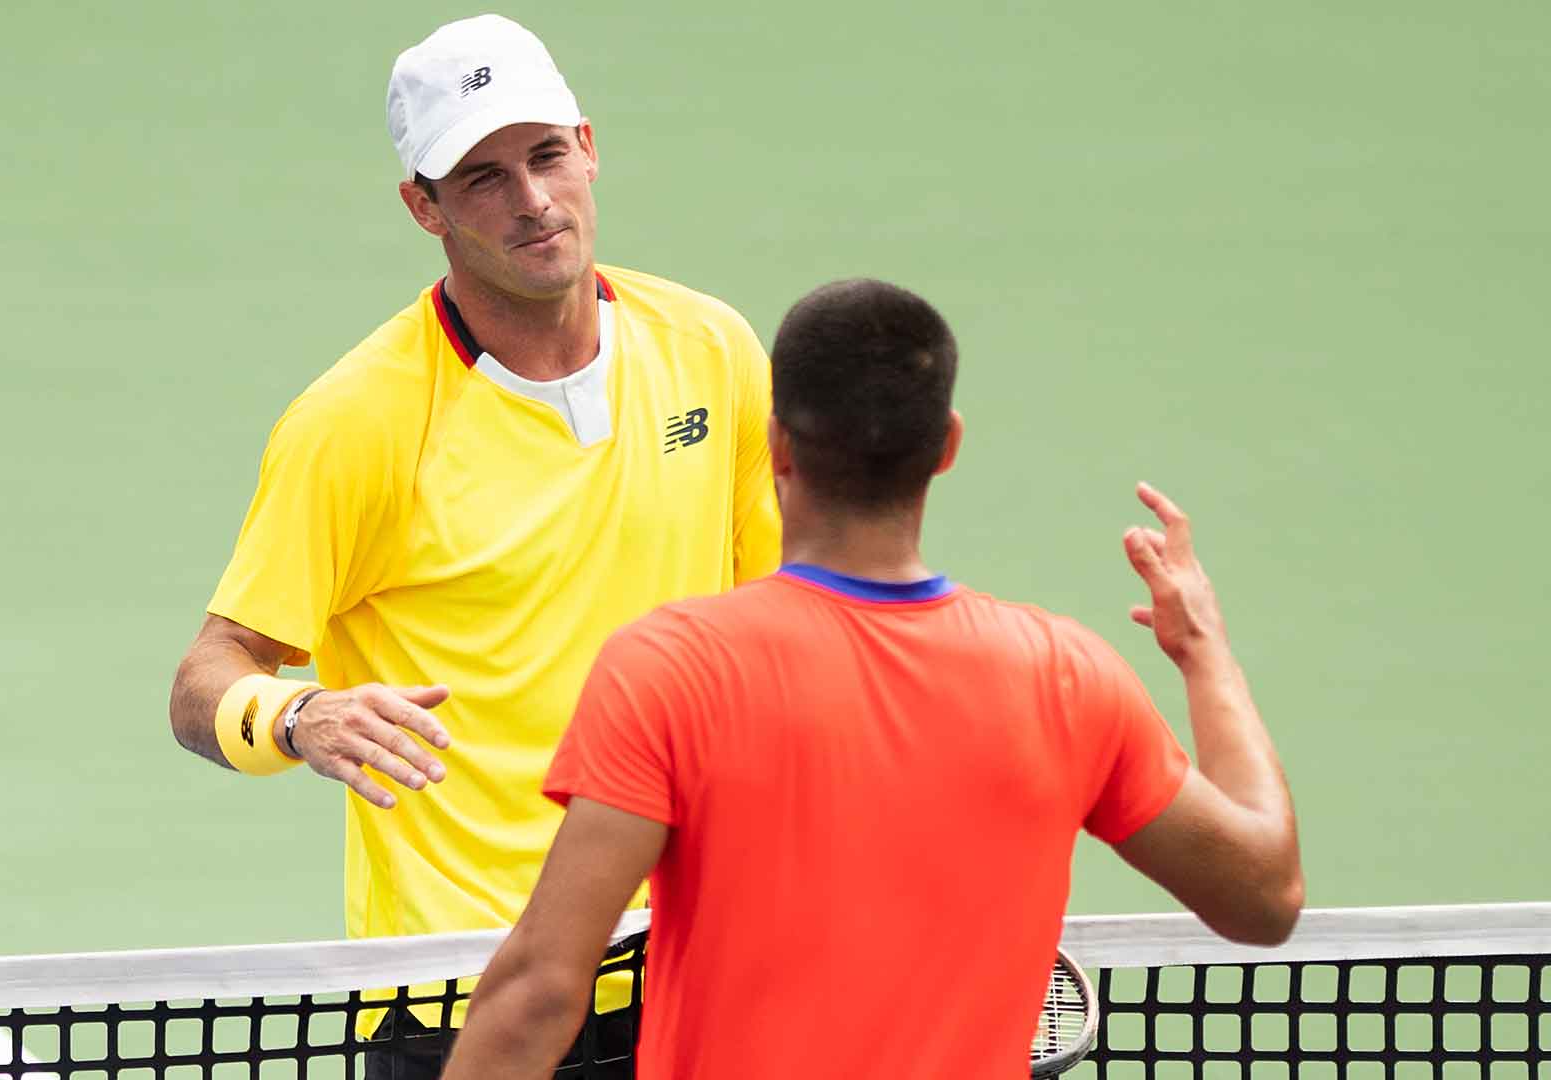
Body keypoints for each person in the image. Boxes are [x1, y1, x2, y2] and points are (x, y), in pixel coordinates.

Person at [441, 279, 1304, 1079]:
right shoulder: (1070, 679)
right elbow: (1264, 899)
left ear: (778, 443)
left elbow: (541, 993)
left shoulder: (672, 670)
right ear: (948, 447)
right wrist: (1204, 653)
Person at [166, 13, 781, 1078]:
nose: (534, 200)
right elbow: (206, 680)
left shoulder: (713, 352)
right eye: (484, 177)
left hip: (684, 966)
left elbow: (774, 631)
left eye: (546, 155)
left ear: (588, 146)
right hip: (464, 994)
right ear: (425, 206)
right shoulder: (357, 421)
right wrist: (301, 713)